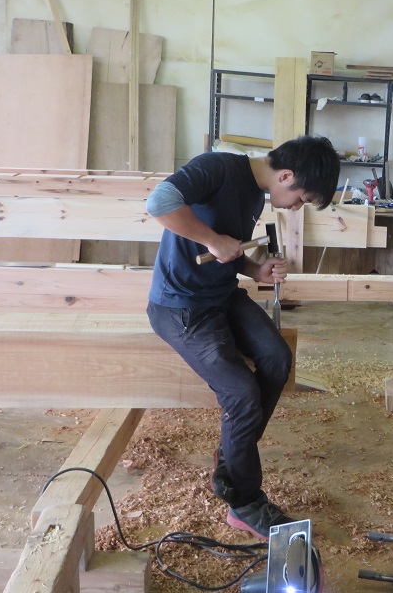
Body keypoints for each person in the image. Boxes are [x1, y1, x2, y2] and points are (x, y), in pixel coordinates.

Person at [145, 135, 340, 539]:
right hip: (180, 307)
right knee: (242, 394)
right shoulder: (217, 168)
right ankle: (244, 501)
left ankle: (233, 453)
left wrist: (256, 271)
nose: (296, 207)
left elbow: (229, 254)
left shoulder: (255, 191)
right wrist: (211, 240)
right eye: (301, 198)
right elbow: (159, 203)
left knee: (277, 359)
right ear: (286, 175)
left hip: (221, 296)